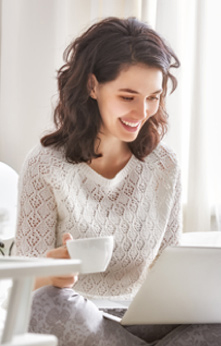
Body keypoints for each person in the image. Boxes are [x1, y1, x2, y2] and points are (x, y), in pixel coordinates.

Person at [14, 17, 220, 346]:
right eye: (128, 97)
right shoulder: (45, 164)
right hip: (75, 315)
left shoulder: (164, 166)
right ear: (93, 86)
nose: (143, 111)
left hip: (142, 319)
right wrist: (50, 270)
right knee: (48, 306)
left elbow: (170, 272)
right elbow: (22, 287)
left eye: (153, 97)